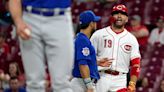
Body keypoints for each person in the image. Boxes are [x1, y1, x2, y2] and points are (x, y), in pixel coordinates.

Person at [8, 0, 74, 92]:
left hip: (60, 17)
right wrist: (18, 21)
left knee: (62, 83)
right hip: (30, 17)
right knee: (34, 83)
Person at [90, 4, 141, 92]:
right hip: (101, 77)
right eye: (116, 13)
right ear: (111, 17)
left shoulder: (131, 39)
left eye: (122, 14)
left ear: (127, 19)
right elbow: (88, 57)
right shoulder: (99, 34)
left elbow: (136, 63)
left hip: (120, 79)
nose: (119, 16)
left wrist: (132, 83)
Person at [71, 10, 101, 92]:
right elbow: (83, 64)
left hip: (82, 82)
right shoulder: (82, 40)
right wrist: (89, 86)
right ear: (91, 23)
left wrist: (96, 62)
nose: (96, 23)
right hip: (82, 84)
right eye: (95, 21)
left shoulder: (80, 38)